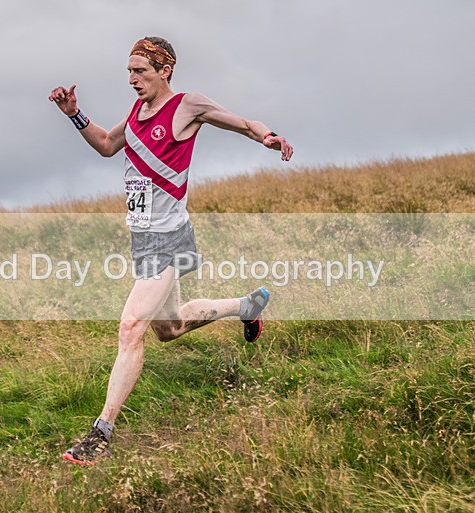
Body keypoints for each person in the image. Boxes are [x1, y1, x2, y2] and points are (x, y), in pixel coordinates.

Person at [48, 36, 293, 465]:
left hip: (169, 238)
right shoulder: (137, 114)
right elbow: (107, 145)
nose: (132, 80)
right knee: (171, 328)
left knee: (130, 328)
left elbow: (241, 123)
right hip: (143, 238)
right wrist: (75, 115)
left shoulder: (187, 106)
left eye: (140, 71)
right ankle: (247, 306)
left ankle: (100, 434)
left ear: (165, 71)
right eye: (129, 71)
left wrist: (269, 137)